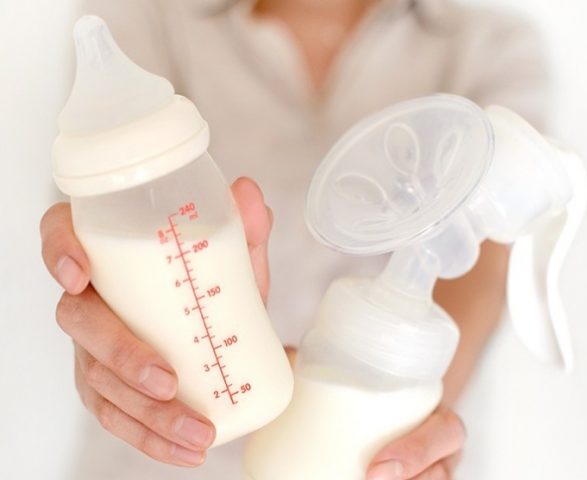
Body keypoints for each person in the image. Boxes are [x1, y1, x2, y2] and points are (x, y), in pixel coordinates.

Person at [39, 0, 550, 478]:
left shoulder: (489, 47)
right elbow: (103, 235)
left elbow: (484, 267)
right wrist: (105, 333)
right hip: (167, 458)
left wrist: (395, 429)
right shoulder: (146, 19)